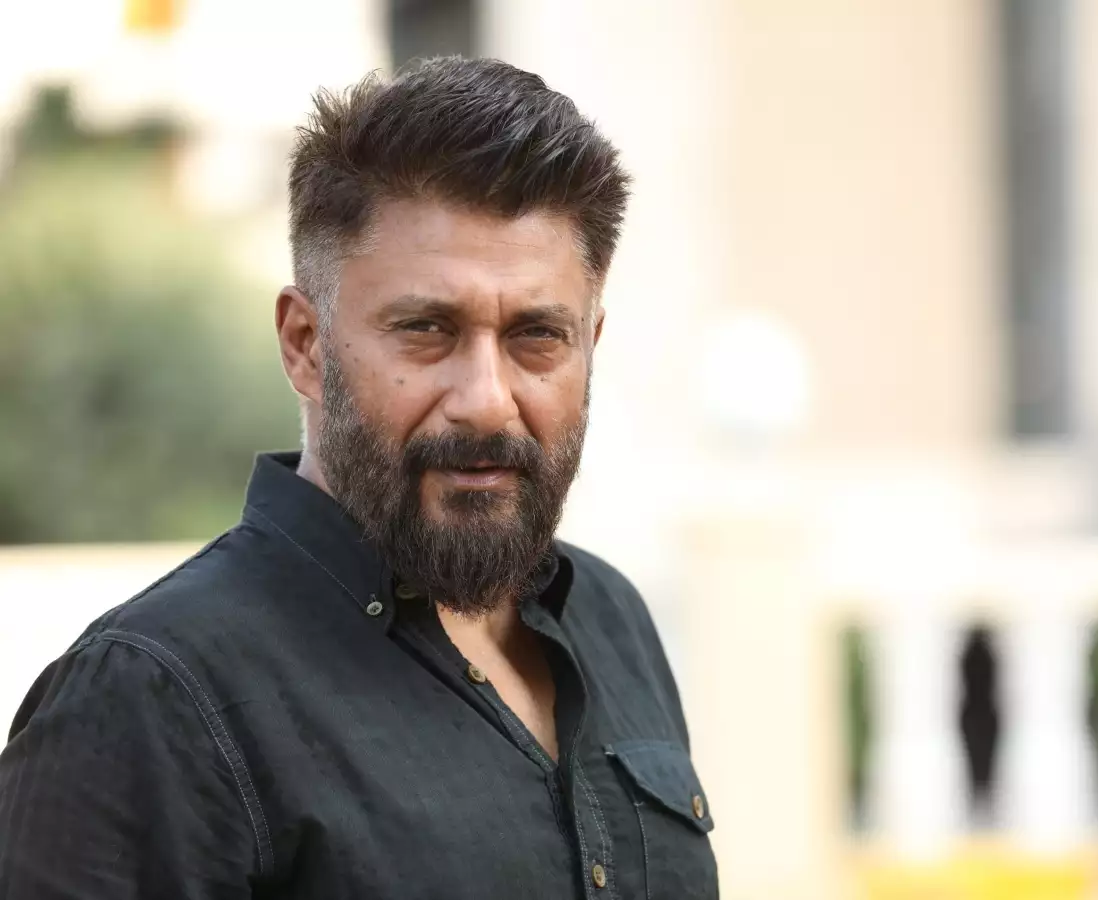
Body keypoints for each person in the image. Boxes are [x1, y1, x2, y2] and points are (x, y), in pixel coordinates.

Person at [0, 57, 717, 899]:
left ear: (589, 344)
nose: (487, 401)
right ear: (305, 345)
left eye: (537, 336)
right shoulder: (150, 698)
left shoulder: (611, 618)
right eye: (426, 329)